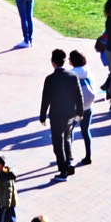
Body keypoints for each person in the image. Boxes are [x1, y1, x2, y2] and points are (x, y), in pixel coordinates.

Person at [39, 48, 82, 178]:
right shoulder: (73, 76)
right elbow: (79, 96)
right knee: (67, 137)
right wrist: (79, 112)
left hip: (56, 116)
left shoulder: (50, 79)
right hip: (70, 114)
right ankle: (69, 161)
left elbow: (45, 98)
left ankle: (63, 171)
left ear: (53, 62)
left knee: (58, 143)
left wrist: (42, 116)